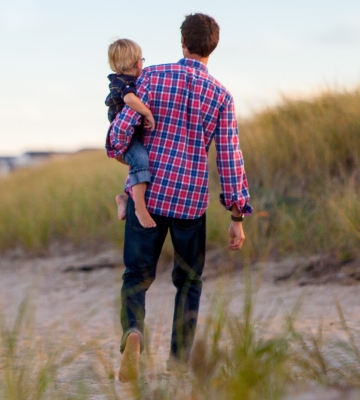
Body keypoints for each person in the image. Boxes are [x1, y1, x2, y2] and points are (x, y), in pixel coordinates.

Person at [106, 13, 252, 381]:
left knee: (136, 277)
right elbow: (230, 157)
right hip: (190, 203)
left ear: (182, 43)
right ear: (212, 47)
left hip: (149, 197)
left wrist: (120, 148)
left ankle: (133, 333)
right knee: (188, 282)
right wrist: (236, 217)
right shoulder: (221, 95)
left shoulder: (152, 76)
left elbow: (120, 132)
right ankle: (178, 364)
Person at [105, 39, 157, 228]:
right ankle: (139, 208)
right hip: (124, 137)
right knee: (141, 160)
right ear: (137, 63)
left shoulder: (122, 80)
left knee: (138, 163)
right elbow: (129, 99)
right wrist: (147, 112)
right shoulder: (124, 83)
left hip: (130, 135)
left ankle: (125, 197)